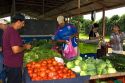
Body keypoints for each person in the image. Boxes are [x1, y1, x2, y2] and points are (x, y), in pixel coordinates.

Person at [2, 13, 31, 83]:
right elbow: (16, 50)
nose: (23, 25)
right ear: (18, 22)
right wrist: (25, 47)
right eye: (23, 23)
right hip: (13, 64)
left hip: (9, 62)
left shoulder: (8, 29)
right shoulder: (13, 32)